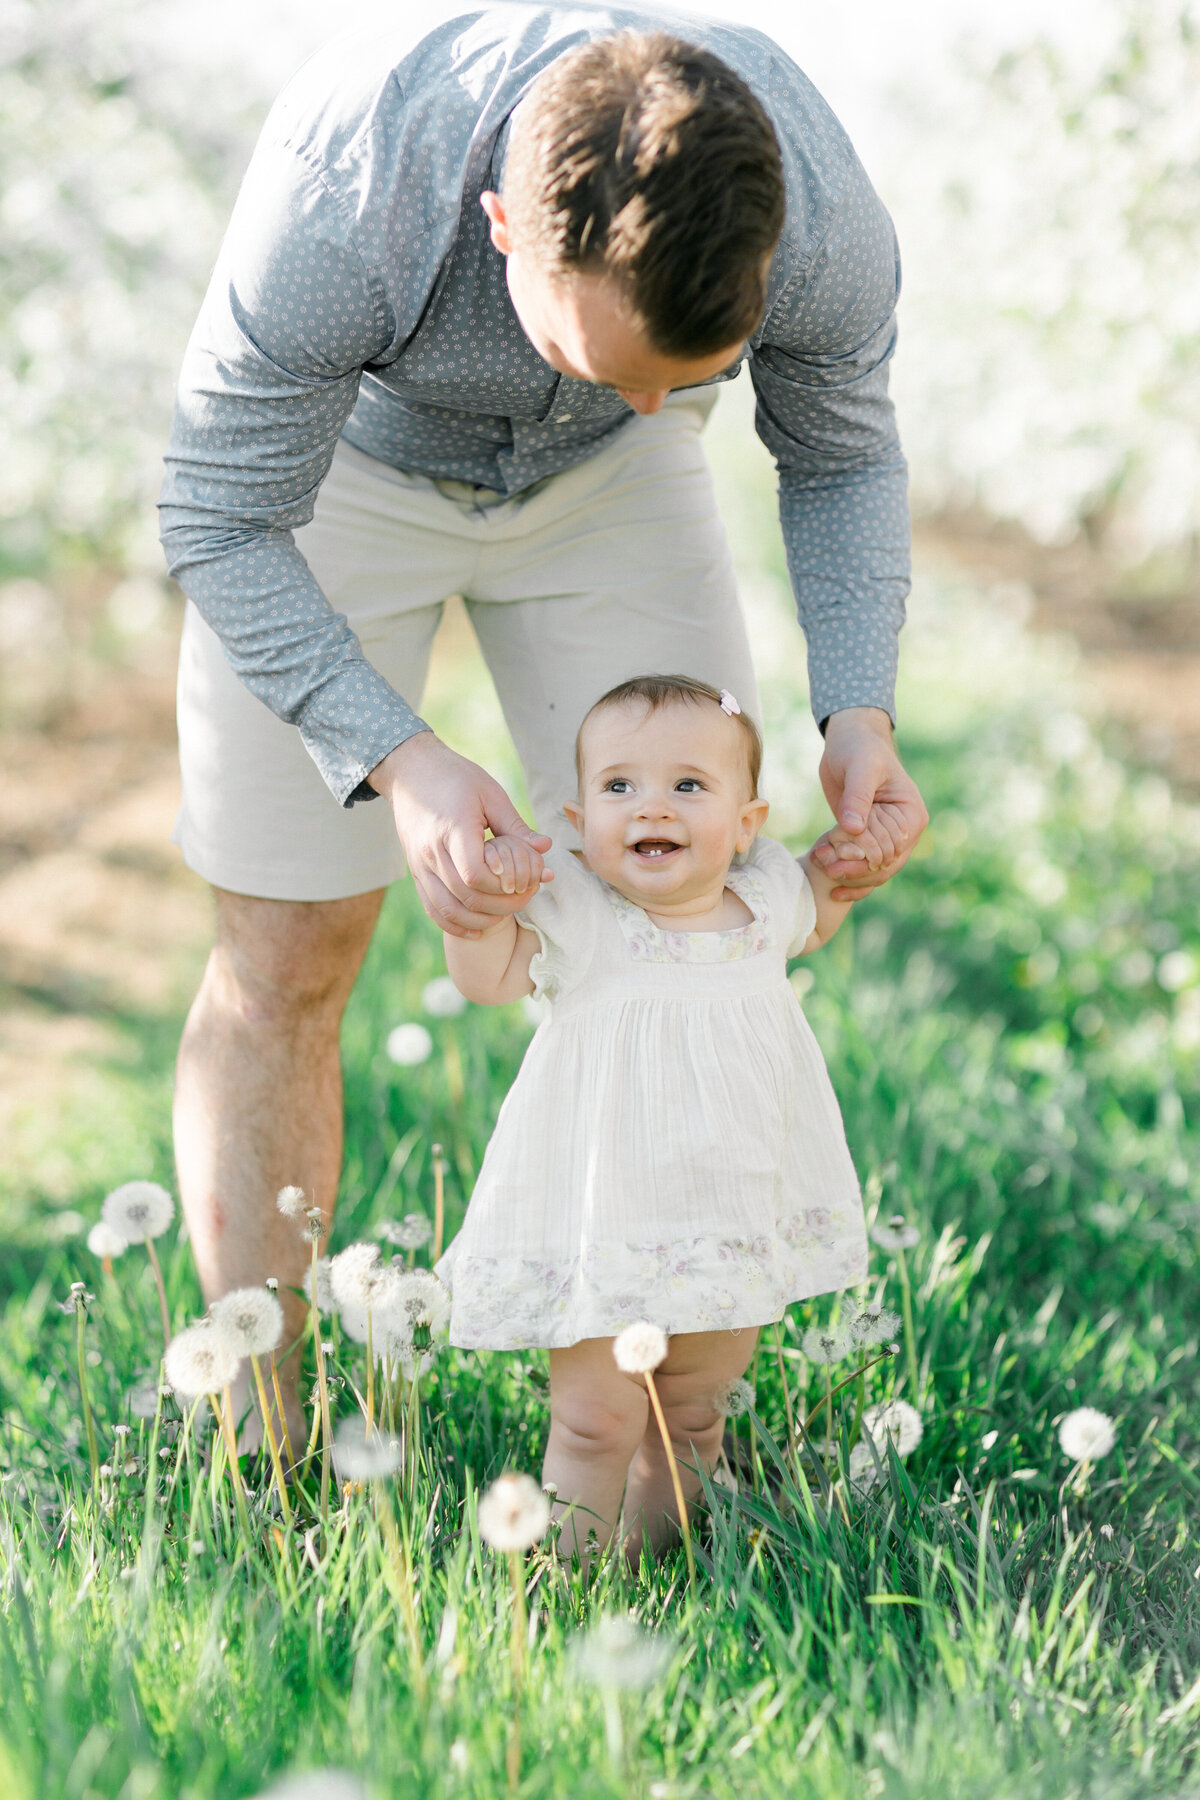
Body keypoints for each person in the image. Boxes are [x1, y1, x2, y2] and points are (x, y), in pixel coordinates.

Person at [159, 8, 926, 1446]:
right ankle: (263, 1439)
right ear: (505, 227)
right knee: (285, 955)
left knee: (685, 901)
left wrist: (857, 705)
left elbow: (843, 452)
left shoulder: (814, 222)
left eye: (693, 372)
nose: (658, 396)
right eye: (617, 359)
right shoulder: (350, 187)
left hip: (610, 493)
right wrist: (400, 755)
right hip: (339, 476)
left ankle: (653, 1431)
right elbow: (216, 510)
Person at [435, 674, 866, 1558]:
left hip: (729, 1214)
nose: (650, 807)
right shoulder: (582, 918)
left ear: (748, 825)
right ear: (580, 823)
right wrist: (478, 907)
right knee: (597, 1421)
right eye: (619, 787)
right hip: (605, 1223)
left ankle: (657, 1567)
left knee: (693, 1419)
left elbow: (820, 910)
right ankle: (567, 1580)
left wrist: (853, 861)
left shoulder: (766, 902)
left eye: (689, 786)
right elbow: (486, 980)